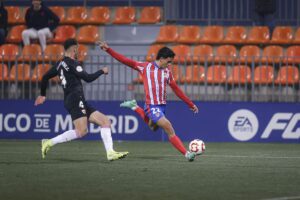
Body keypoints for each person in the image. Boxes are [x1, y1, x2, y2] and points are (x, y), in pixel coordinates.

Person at [98, 41, 199, 162]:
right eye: (168, 61)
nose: (169, 64)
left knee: (153, 127)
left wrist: (190, 104)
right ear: (161, 59)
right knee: (168, 127)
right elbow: (125, 60)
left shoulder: (167, 72)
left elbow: (176, 89)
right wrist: (109, 50)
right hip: (152, 106)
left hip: (161, 106)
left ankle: (135, 107)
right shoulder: (145, 67)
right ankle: (187, 154)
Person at [34, 38, 129, 161]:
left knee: (105, 122)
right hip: (74, 99)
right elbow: (88, 78)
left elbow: (45, 77)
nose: (78, 52)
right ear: (74, 49)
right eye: (77, 49)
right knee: (81, 131)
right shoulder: (73, 64)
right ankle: (49, 142)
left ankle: (110, 152)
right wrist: (102, 71)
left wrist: (42, 95)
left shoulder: (59, 64)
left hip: (78, 99)